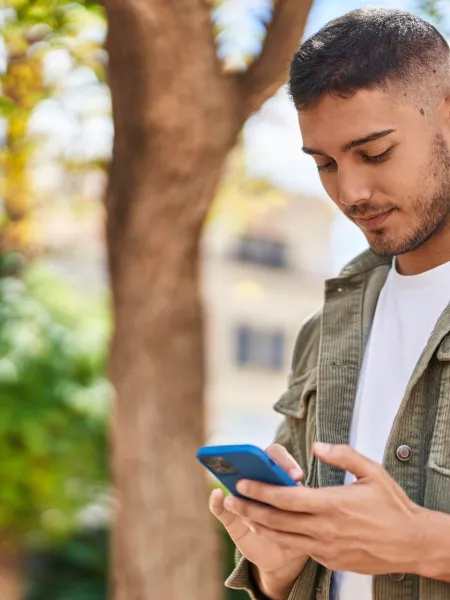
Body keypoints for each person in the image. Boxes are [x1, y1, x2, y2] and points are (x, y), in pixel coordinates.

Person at [209, 7, 450, 600]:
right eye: (323, 163)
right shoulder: (328, 327)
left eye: (374, 153)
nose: (350, 192)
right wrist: (279, 568)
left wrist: (425, 543)